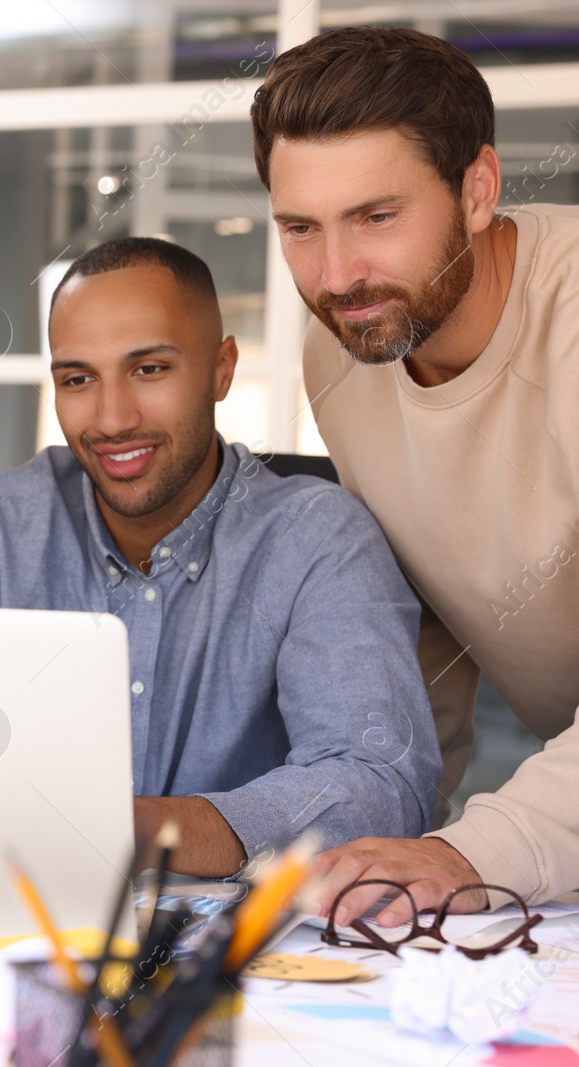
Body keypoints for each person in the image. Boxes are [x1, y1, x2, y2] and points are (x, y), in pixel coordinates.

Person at [0, 237, 439, 877]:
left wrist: (124, 830)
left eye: (149, 369)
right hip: (6, 931)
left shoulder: (318, 540)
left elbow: (380, 783)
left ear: (221, 369)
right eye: (78, 379)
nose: (112, 419)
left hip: (247, 962)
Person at [252, 26, 579, 922]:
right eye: (300, 229)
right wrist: (386, 841)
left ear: (478, 190)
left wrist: (465, 853)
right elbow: (424, 631)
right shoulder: (347, 346)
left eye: (377, 216)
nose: (337, 275)